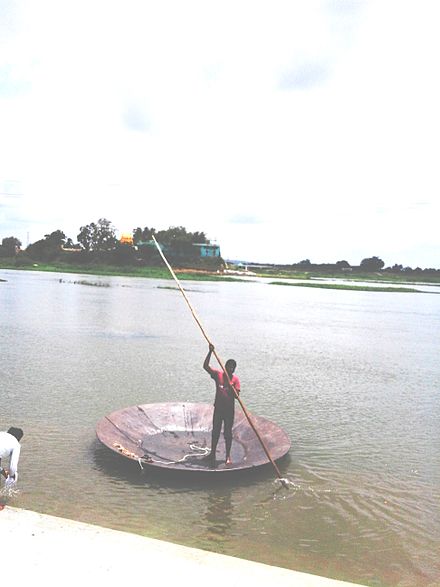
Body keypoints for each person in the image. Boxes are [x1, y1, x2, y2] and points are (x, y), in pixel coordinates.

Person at [203, 344, 240, 466]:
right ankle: (212, 454)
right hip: (218, 409)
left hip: (229, 411)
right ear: (225, 366)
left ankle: (227, 456)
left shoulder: (235, 380)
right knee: (216, 432)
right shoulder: (218, 375)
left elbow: (236, 396)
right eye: (229, 366)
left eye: (233, 367)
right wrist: (210, 352)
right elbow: (205, 366)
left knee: (228, 433)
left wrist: (231, 386)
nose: (231, 369)